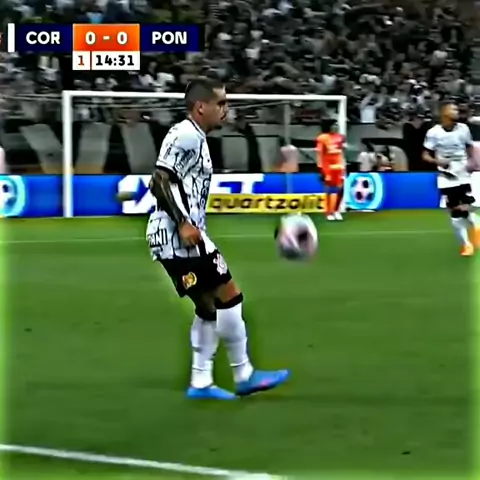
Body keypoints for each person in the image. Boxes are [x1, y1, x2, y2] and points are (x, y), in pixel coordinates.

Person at [146, 77, 290, 400]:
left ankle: (201, 382)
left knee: (208, 306)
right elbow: (159, 180)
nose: (226, 109)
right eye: (221, 103)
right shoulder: (185, 135)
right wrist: (183, 222)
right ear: (201, 107)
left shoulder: (196, 137)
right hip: (178, 237)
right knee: (229, 294)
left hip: (186, 236)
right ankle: (244, 374)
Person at [422, 101, 480, 256]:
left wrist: (472, 162)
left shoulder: (463, 129)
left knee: (466, 206)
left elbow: (469, 147)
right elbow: (425, 155)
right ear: (444, 113)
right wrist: (437, 161)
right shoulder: (434, 132)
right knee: (455, 212)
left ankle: (475, 229)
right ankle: (467, 244)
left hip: (463, 174)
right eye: (453, 109)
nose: (457, 111)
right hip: (446, 177)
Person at [316, 119, 346, 221]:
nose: (336, 127)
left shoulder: (340, 137)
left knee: (341, 189)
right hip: (328, 167)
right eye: (334, 125)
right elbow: (319, 154)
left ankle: (336, 210)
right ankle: (329, 212)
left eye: (337, 125)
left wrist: (343, 164)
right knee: (329, 190)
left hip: (339, 167)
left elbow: (341, 152)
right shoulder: (322, 138)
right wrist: (320, 168)